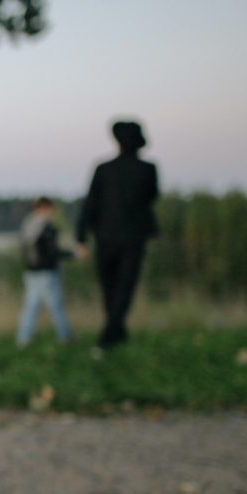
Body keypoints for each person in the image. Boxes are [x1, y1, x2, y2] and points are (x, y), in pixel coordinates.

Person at [75, 120, 160, 348]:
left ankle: (110, 334)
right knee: (125, 286)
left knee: (110, 286)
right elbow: (152, 197)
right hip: (134, 238)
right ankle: (115, 332)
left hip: (106, 237)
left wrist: (81, 237)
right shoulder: (148, 170)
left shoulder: (104, 169)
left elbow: (90, 204)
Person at [16, 196, 73, 346]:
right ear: (44, 208)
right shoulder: (45, 227)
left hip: (31, 272)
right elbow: (53, 251)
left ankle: (24, 338)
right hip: (47, 272)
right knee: (56, 306)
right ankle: (65, 336)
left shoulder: (28, 225)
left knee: (30, 307)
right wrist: (72, 254)